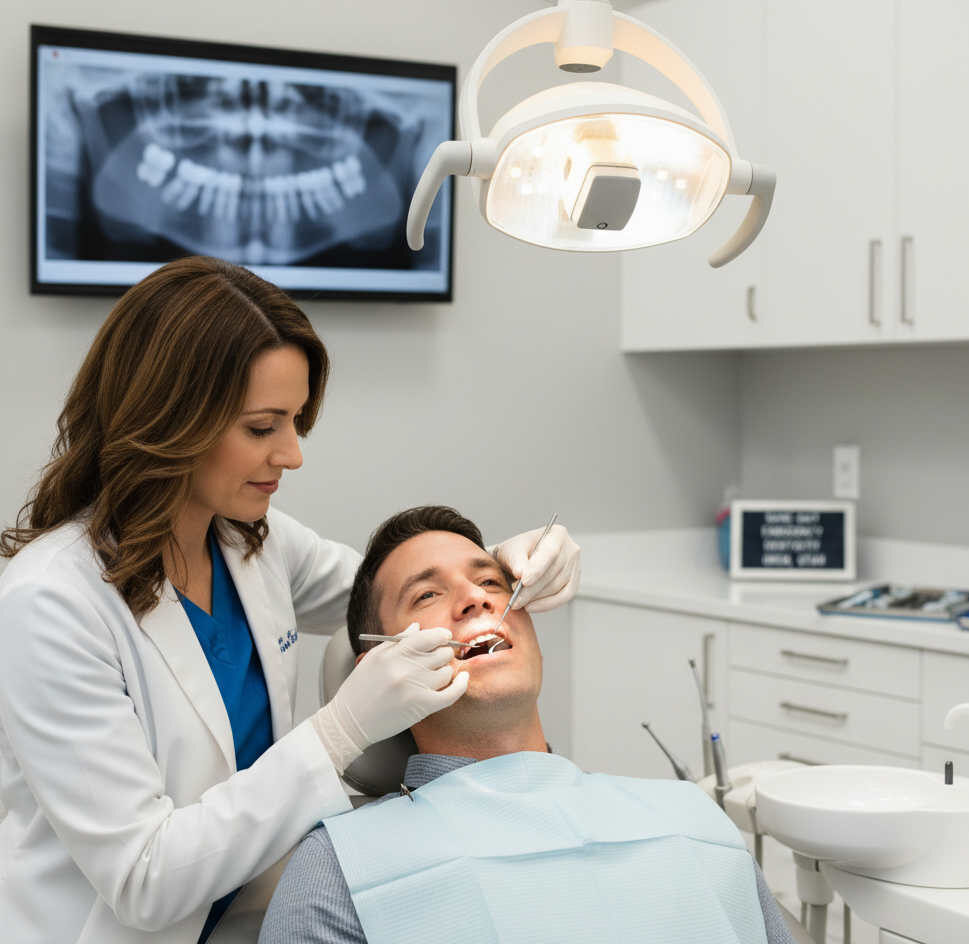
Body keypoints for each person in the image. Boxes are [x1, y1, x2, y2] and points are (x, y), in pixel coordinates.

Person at [0, 257, 581, 944]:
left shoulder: (254, 544)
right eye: (261, 427)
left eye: (296, 421)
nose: (292, 454)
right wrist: (339, 733)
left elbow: (388, 588)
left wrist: (508, 563)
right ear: (170, 419)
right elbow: (143, 879)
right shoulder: (49, 603)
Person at [259, 506, 795, 944]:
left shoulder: (691, 817)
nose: (476, 599)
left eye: (491, 580)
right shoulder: (339, 871)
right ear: (376, 672)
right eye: (426, 595)